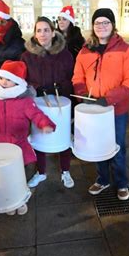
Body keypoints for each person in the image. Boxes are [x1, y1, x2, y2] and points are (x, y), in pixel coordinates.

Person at [72, 8, 129, 200]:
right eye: (97, 23)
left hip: (116, 110)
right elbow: (77, 76)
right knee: (97, 145)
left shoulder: (125, 49)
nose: (101, 26)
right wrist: (82, 94)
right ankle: (103, 179)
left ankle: (121, 182)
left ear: (112, 25)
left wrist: (109, 99)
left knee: (117, 146)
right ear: (93, 27)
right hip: (92, 109)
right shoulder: (85, 50)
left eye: (105, 22)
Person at [0, 60, 55, 215]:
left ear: (18, 82)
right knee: (3, 175)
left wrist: (46, 124)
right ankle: (9, 200)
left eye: (8, 79)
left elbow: (37, 115)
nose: (3, 82)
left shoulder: (24, 100)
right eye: (1, 78)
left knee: (21, 173)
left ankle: (21, 199)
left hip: (18, 144)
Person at [21, 16, 75, 189]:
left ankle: (65, 170)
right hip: (39, 102)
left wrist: (63, 88)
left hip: (61, 101)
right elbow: (24, 80)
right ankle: (41, 171)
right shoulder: (26, 56)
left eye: (46, 30)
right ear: (35, 34)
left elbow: (71, 76)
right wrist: (35, 89)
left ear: (53, 32)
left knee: (63, 135)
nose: (42, 34)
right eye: (39, 30)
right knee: (40, 137)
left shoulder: (65, 54)